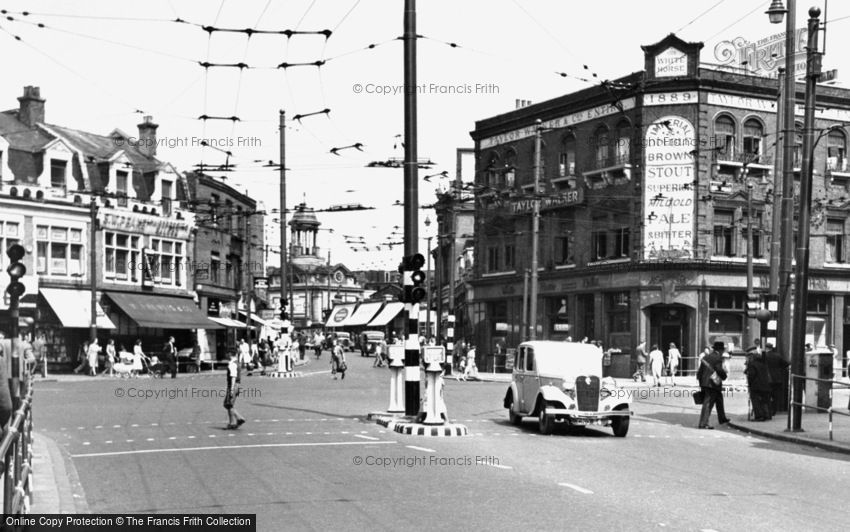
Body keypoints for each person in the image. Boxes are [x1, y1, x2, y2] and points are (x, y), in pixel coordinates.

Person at [697, 341, 730, 429]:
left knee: (719, 399)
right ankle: (703, 423)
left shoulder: (705, 357)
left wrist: (701, 384)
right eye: (722, 350)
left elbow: (700, 372)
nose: (723, 352)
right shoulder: (718, 358)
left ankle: (722, 418)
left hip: (705, 383)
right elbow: (719, 369)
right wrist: (724, 376)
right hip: (712, 384)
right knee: (708, 403)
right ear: (720, 350)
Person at [744, 346, 772, 421]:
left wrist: (750, 384)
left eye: (748, 356)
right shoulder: (763, 363)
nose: (747, 358)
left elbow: (751, 375)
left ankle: (759, 416)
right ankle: (767, 415)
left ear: (752, 356)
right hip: (765, 385)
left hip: (756, 386)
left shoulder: (752, 364)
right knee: (764, 401)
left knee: (756, 401)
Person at [764, 343, 789, 417]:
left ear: (766, 348)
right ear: (772, 348)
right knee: (775, 396)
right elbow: (785, 364)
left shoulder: (764, 356)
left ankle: (768, 410)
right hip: (777, 379)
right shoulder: (777, 356)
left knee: (767, 395)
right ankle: (774, 410)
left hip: (767, 379)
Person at [224, 351, 246, 430]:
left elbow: (233, 377)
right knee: (229, 404)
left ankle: (239, 418)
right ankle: (231, 423)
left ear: (230, 354)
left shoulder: (232, 364)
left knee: (228, 404)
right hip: (237, 385)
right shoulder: (237, 363)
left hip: (233, 385)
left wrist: (232, 389)